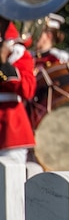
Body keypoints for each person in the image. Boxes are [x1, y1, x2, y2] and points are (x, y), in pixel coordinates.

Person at [0, 21, 37, 164]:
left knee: (11, 183)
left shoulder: (18, 53)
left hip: (10, 129)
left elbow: (28, 90)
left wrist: (4, 65)